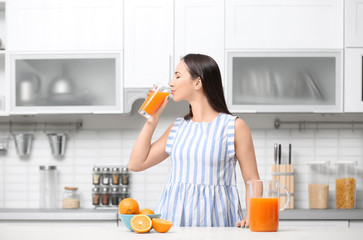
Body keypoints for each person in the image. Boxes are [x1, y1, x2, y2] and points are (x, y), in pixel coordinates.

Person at [128, 53, 260, 227]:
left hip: (217, 223)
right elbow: (136, 164)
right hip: (173, 222)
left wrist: (252, 219)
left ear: (197, 82)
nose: (171, 83)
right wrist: (151, 121)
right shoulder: (178, 128)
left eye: (177, 76)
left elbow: (253, 181)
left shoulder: (234, 127)